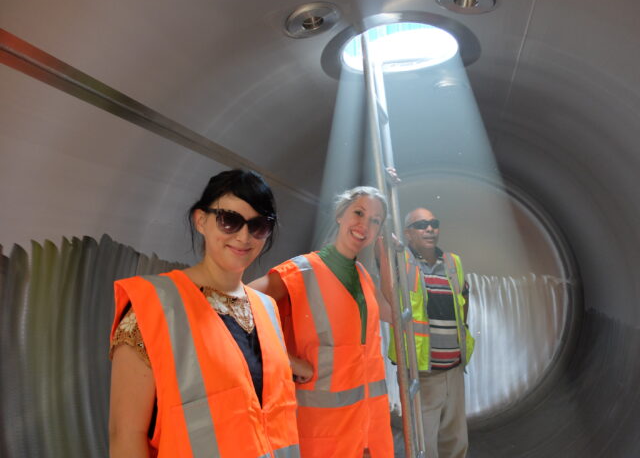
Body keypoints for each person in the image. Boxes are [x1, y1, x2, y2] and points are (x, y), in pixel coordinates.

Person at [108, 169, 300, 458]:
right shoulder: (155, 308)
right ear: (201, 220)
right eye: (229, 220)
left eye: (258, 225)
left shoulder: (267, 309)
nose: (244, 236)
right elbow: (125, 436)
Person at [250, 186, 394, 458]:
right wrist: (287, 360)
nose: (364, 225)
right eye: (359, 213)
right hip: (322, 433)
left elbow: (397, 314)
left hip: (367, 430)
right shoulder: (301, 271)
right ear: (340, 215)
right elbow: (236, 307)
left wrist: (386, 260)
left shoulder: (363, 277)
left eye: (375, 221)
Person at [387, 207, 474, 458]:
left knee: (456, 440)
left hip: (454, 369)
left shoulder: (453, 262)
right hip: (421, 372)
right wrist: (386, 241)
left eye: (434, 223)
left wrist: (462, 333)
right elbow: (384, 281)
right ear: (408, 233)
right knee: (423, 444)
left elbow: (463, 297)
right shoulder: (400, 261)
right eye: (421, 225)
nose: (429, 229)